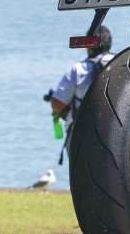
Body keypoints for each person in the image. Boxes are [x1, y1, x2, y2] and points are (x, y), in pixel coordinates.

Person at [46, 26, 114, 161]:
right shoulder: (122, 63)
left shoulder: (78, 70)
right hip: (115, 133)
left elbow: (57, 104)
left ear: (88, 45)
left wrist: (64, 111)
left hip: (82, 136)